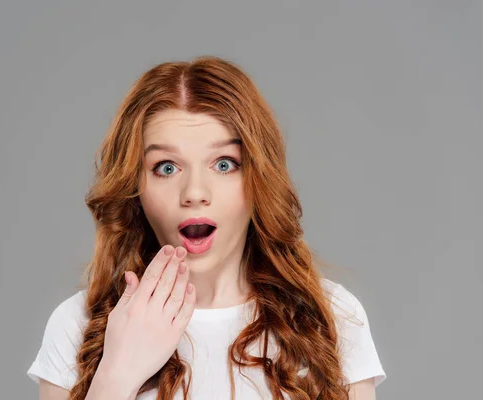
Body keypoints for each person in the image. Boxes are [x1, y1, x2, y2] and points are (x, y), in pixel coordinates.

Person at [26, 56, 386, 400]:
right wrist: (116, 376)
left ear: (259, 178)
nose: (195, 193)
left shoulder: (332, 317)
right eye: (167, 167)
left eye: (224, 164)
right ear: (135, 189)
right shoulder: (78, 326)